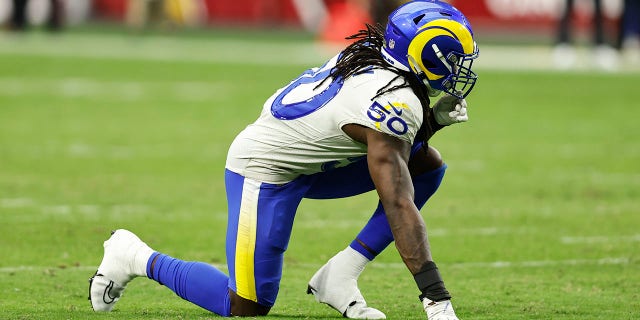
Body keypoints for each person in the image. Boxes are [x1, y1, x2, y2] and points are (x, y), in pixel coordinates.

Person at [88, 1, 479, 319]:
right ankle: (135, 256)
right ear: (426, 56)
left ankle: (339, 276)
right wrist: (436, 298)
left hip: (314, 159)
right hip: (265, 169)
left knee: (425, 165)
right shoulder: (394, 98)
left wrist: (430, 122)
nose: (463, 67)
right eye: (456, 57)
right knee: (245, 306)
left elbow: (376, 139)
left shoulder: (378, 59)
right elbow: (395, 196)